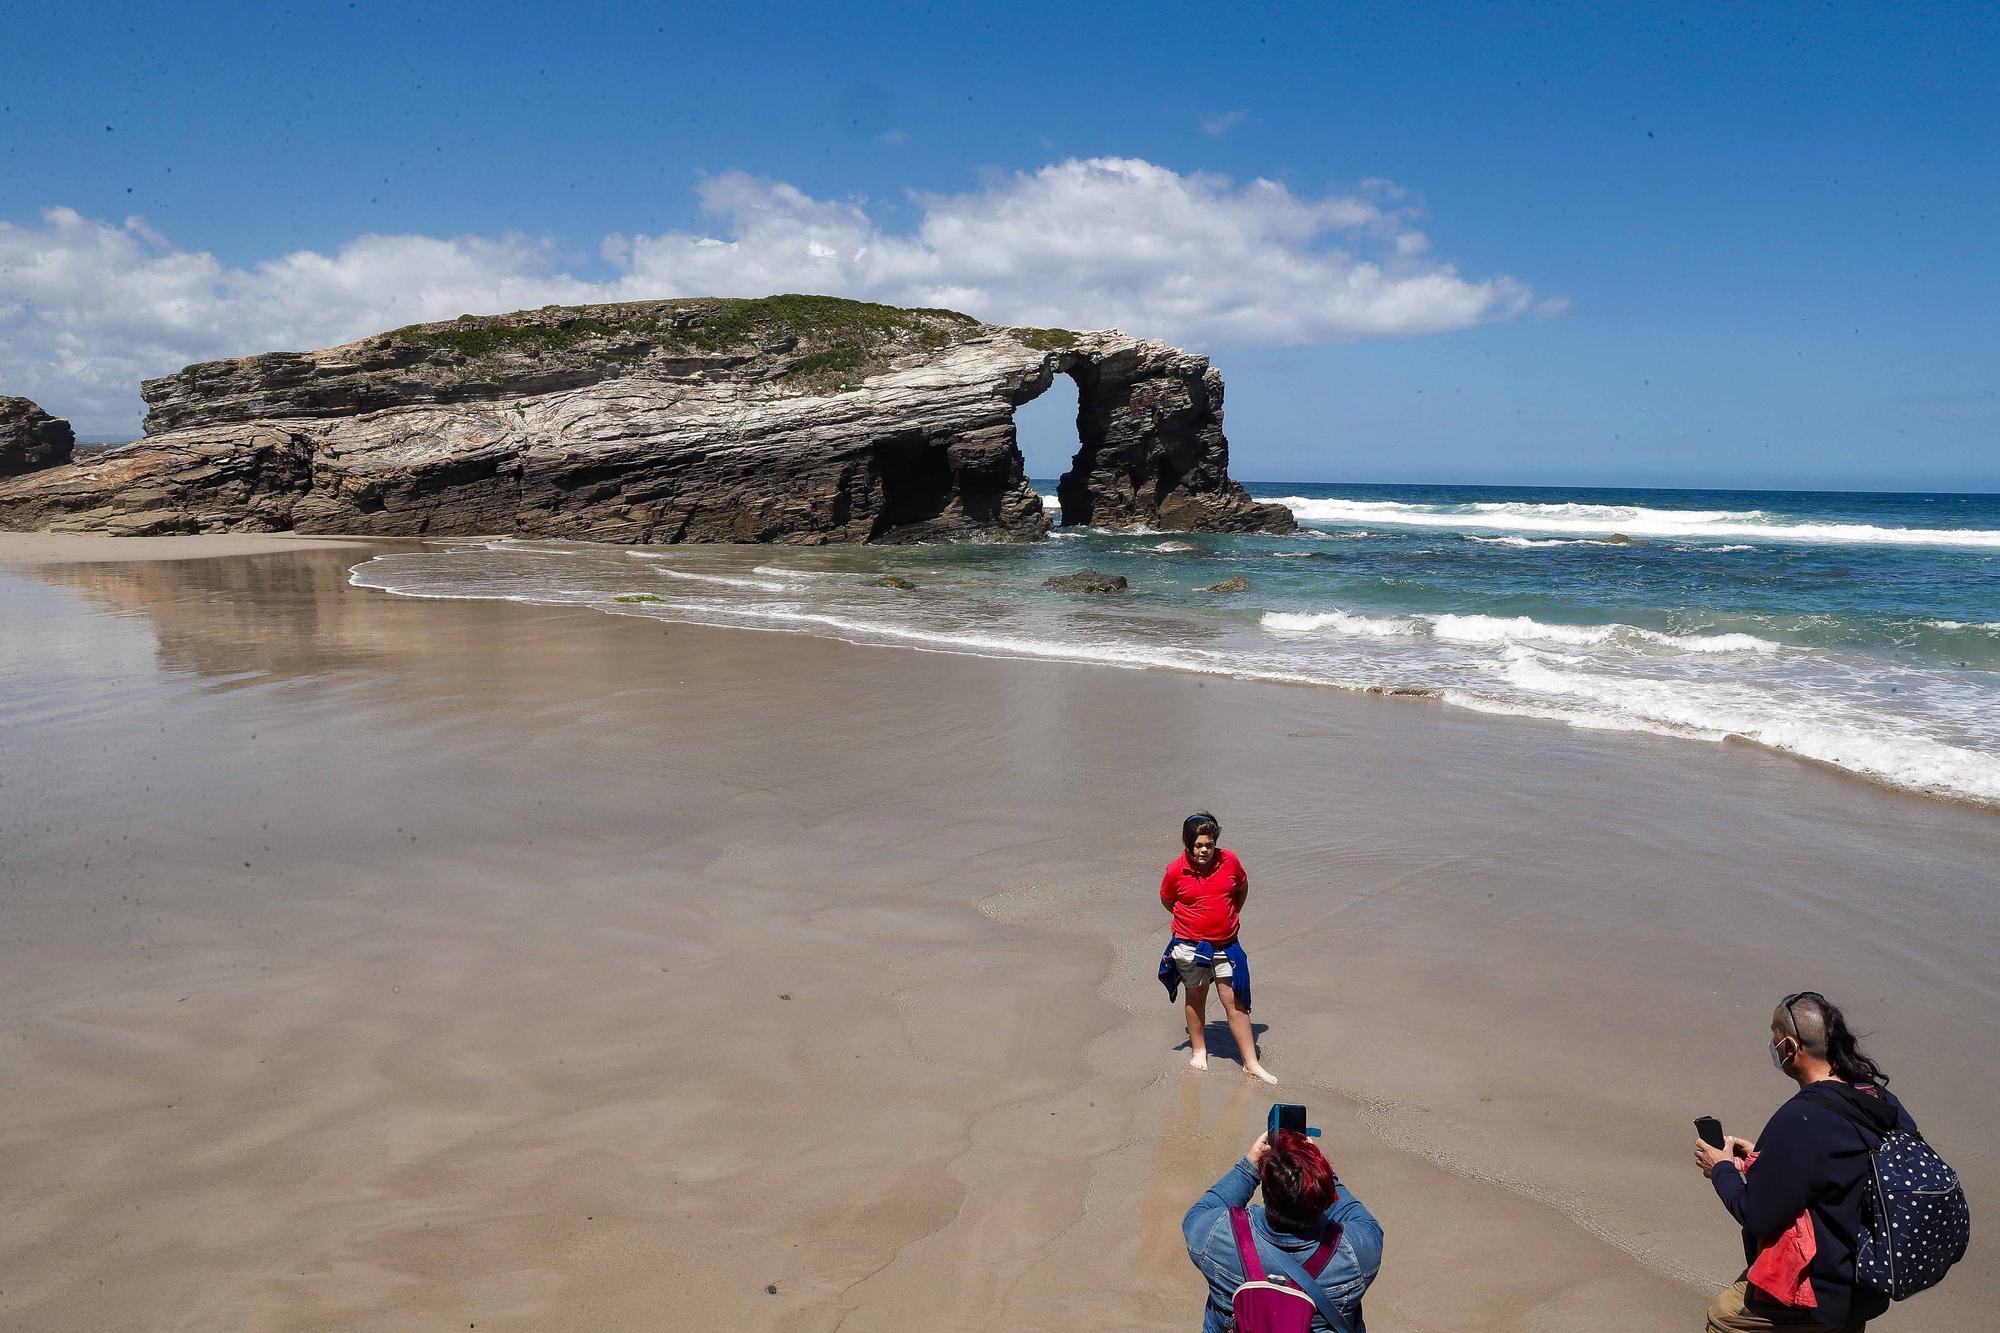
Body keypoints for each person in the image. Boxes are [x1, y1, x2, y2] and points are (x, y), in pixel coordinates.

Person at [1694, 991, 1919, 1332]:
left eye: (1774, 1037)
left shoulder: (1801, 1119)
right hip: (1867, 1282)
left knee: (1724, 1317)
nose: (1772, 1047)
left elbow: (1756, 1215)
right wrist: (1766, 1161)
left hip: (1819, 1287)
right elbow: (1839, 1171)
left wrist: (1721, 1169)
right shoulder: (1877, 1098)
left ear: (1790, 1047)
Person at [1183, 1129, 1384, 1333]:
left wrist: (1248, 1168)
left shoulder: (1218, 1235)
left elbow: (1198, 1214)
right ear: (1321, 1193)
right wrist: (1317, 1173)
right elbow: (1358, 1218)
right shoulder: (1356, 1254)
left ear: (1266, 1191)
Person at [1158, 811, 1275, 1083]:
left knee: (1234, 1001)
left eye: (1209, 845)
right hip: (1190, 945)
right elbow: (1167, 901)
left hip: (1226, 945)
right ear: (1189, 844)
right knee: (1196, 997)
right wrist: (1192, 921)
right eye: (1199, 845)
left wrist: (1231, 915)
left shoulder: (1229, 860)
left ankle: (1250, 1062)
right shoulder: (1175, 869)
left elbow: (1242, 888)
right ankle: (1199, 1050)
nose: (1204, 851)